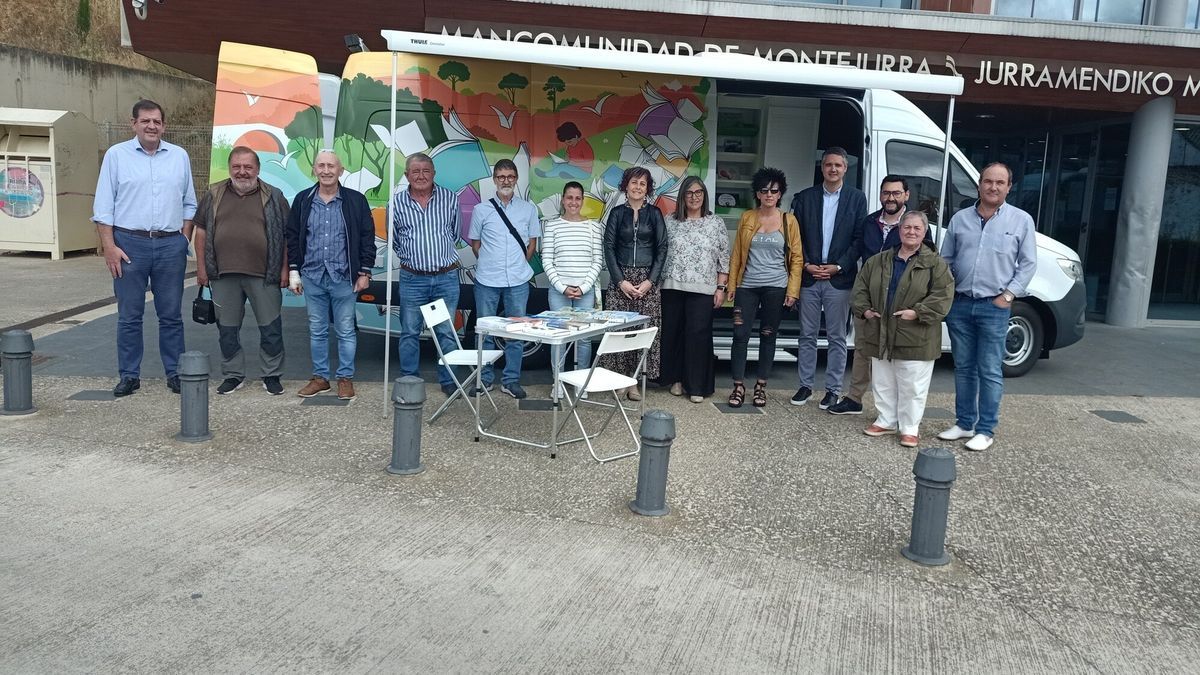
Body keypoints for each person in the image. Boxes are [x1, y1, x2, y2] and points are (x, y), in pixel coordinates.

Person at [92, 99, 197, 397]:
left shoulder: (179, 156)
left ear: (164, 125)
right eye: (146, 121)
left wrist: (183, 239)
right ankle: (129, 375)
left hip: (169, 245)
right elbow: (103, 206)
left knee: (171, 316)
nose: (152, 126)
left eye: (157, 121)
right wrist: (109, 246)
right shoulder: (116, 156)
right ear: (133, 123)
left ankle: (175, 372)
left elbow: (190, 202)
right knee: (129, 316)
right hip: (129, 245)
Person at [938, 162, 1037, 452]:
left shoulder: (1021, 221)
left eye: (1000, 182)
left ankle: (985, 429)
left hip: (994, 306)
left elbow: (1029, 264)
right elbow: (946, 259)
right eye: (988, 181)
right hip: (961, 304)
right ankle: (964, 423)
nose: (993, 187)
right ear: (979, 184)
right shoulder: (960, 219)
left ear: (1009, 187)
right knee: (963, 367)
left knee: (990, 369)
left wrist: (1008, 295)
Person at [193, 146, 291, 395]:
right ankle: (233, 375)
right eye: (237, 166)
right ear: (230, 168)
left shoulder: (274, 195)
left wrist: (284, 270)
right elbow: (201, 232)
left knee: (270, 328)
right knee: (227, 329)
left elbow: (286, 236)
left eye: (248, 167)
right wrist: (202, 269)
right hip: (223, 274)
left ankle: (271, 375)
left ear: (257, 169)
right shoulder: (213, 194)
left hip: (264, 274)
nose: (242, 172)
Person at [852, 211, 954, 447]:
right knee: (883, 380)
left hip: (916, 333)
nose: (911, 232)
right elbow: (861, 288)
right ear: (899, 230)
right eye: (907, 227)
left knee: (912, 384)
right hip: (880, 330)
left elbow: (943, 296)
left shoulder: (935, 264)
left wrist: (918, 312)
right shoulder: (879, 260)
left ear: (924, 232)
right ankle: (886, 419)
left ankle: (909, 427)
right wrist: (865, 310)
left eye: (917, 228)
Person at [284, 150, 375, 401]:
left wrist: (365, 271)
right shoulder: (303, 200)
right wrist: (294, 270)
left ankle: (345, 378)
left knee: (345, 330)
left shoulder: (355, 201)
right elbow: (292, 237)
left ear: (340, 170)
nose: (326, 170)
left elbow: (367, 237)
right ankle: (321, 378)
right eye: (321, 165)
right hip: (312, 276)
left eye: (331, 166)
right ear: (314, 169)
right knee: (317, 330)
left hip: (344, 277)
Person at [829, 175, 921, 415]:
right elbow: (856, 251)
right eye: (886, 193)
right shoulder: (869, 222)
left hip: (899, 299)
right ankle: (854, 399)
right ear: (881, 195)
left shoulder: (914, 225)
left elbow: (924, 261)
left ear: (906, 195)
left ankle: (896, 410)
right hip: (869, 296)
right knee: (862, 349)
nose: (890, 198)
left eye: (896, 193)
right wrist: (838, 267)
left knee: (895, 353)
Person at [789, 147, 868, 409]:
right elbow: (795, 238)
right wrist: (808, 265)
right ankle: (805, 386)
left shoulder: (857, 199)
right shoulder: (806, 198)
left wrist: (839, 266)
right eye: (828, 165)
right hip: (810, 276)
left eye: (838, 165)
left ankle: (833, 390)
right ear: (821, 168)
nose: (833, 169)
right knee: (807, 335)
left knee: (837, 337)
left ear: (845, 168)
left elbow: (859, 239)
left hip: (839, 278)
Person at [725, 168, 803, 408]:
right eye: (764, 190)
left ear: (780, 194)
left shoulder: (789, 221)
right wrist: (731, 284)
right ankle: (738, 386)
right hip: (747, 286)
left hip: (776, 287)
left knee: (768, 336)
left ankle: (761, 386)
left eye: (774, 190)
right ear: (757, 193)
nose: (769, 194)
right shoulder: (748, 217)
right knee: (740, 336)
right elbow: (737, 252)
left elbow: (797, 258)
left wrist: (792, 291)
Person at [391, 152, 463, 398]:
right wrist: (415, 258)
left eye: (426, 171)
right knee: (409, 331)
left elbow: (454, 234)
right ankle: (409, 379)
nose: (421, 176)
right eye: (415, 171)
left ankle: (449, 380)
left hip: (445, 278)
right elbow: (396, 242)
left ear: (434, 173)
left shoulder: (450, 199)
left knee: (446, 333)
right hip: (413, 279)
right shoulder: (396, 204)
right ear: (407, 175)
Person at [469, 159, 541, 399]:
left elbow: (532, 243)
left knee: (516, 334)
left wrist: (518, 263)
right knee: (486, 333)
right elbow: (476, 244)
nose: (506, 181)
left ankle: (511, 381)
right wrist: (493, 262)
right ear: (494, 180)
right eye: (501, 176)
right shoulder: (481, 210)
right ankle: (485, 379)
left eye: (510, 176)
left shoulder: (528, 209)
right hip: (487, 281)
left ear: (516, 178)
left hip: (518, 281)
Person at [660, 176, 731, 403]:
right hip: (672, 285)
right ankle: (677, 380)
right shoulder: (669, 221)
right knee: (674, 333)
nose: (694, 197)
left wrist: (721, 287)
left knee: (697, 335)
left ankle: (697, 385)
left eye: (698, 192)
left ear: (704, 195)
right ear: (682, 196)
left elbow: (723, 258)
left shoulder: (715, 223)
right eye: (689, 193)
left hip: (704, 288)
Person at [602, 165, 668, 400]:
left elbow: (662, 249)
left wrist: (651, 281)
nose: (638, 187)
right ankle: (619, 380)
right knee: (620, 333)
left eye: (643, 183)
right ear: (626, 186)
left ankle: (634, 383)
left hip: (647, 283)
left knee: (643, 332)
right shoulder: (617, 213)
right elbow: (608, 247)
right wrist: (620, 282)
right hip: (621, 282)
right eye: (634, 182)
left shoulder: (656, 214)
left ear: (647, 188)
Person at [542, 181, 604, 396]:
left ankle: (581, 382)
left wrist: (583, 287)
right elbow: (547, 260)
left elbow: (598, 261)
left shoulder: (593, 227)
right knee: (558, 336)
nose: (574, 202)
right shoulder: (552, 226)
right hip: (559, 293)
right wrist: (562, 287)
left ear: (582, 201)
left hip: (584, 293)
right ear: (563, 199)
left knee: (584, 338)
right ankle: (557, 383)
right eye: (570, 197)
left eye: (578, 198)